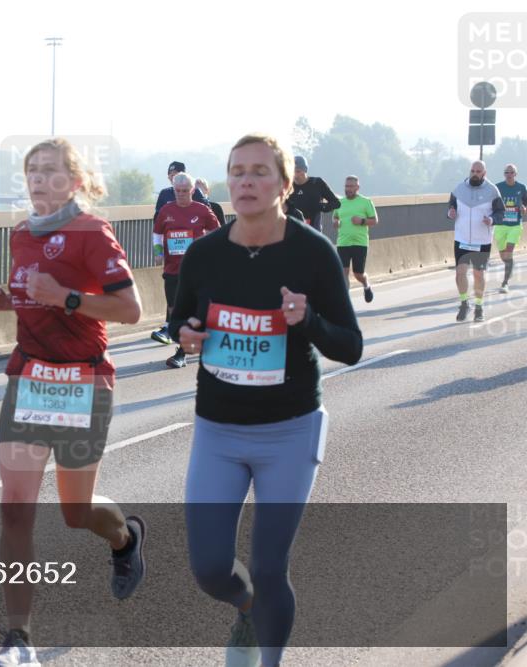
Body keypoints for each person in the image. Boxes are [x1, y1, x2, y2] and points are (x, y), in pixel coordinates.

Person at [170, 134, 362, 667]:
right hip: (219, 431)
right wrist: (185, 333)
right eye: (237, 172)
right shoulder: (206, 254)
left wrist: (309, 319)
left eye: (258, 172)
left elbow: (350, 346)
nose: (246, 182)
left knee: (270, 564)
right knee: (209, 566)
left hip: (289, 431)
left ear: (283, 184)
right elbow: (178, 319)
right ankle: (247, 606)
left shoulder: (312, 253)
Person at [0, 138, 147, 667]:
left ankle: (123, 538)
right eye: (31, 170)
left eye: (51, 171)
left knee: (75, 512)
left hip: (83, 383)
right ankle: (18, 640)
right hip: (29, 376)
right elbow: (37, 297)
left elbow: (131, 309)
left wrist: (68, 298)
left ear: (74, 181)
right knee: (14, 508)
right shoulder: (22, 234)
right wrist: (8, 299)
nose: (38, 179)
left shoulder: (92, 233)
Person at [154, 172, 221, 368]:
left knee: (189, 310)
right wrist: (158, 251)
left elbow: (216, 233)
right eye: (177, 191)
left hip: (196, 270)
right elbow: (157, 233)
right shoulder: (166, 210)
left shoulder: (202, 210)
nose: (181, 194)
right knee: (174, 311)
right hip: (172, 268)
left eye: (185, 191)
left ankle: (181, 353)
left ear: (192, 190)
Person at [448, 160, 504, 322]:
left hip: (482, 240)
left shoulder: (493, 190)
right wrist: (450, 212)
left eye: (478, 171)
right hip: (462, 238)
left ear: (484, 173)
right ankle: (464, 303)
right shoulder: (458, 189)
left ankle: (479, 306)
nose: (474, 173)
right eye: (472, 170)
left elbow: (500, 213)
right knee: (460, 273)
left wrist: (492, 220)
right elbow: (451, 207)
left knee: (478, 274)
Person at [332, 175, 378, 303]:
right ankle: (345, 301)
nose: (348, 189)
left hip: (360, 243)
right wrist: (336, 222)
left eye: (351, 186)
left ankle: (366, 285)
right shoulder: (339, 203)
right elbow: (335, 217)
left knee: (358, 274)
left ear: (357, 187)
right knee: (343, 272)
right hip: (343, 242)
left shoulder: (365, 202)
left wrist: (362, 221)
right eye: (346, 186)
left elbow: (375, 220)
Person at [285, 156, 340, 233]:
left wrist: (320, 206)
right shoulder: (288, 186)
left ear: (305, 170)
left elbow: (336, 203)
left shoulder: (317, 183)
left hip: (313, 231)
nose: (295, 175)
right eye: (293, 171)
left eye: (298, 171)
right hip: (293, 231)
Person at [495, 163, 527, 292]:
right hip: (501, 225)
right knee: (504, 256)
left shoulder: (521, 187)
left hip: (515, 226)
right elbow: (491, 203)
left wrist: (524, 208)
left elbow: (525, 203)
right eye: (506, 172)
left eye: (511, 172)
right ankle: (510, 266)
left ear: (515, 174)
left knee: (509, 252)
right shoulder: (498, 187)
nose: (509, 175)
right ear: (504, 174)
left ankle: (505, 282)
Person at [153, 160, 209, 224]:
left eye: (176, 174)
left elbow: (207, 212)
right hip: (171, 231)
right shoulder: (164, 193)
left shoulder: (194, 191)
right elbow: (157, 218)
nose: (172, 177)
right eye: (170, 175)